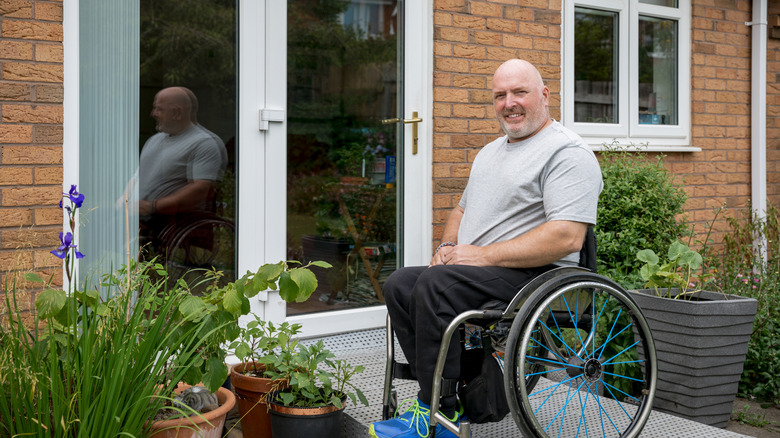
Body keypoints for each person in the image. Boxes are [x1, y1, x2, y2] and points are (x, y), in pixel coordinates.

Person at [369, 59, 603, 438]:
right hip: (481, 271)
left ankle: (438, 417)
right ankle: (448, 395)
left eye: (519, 92)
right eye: (500, 95)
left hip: (536, 276)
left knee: (435, 286)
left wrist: (480, 255)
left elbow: (566, 237)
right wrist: (448, 245)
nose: (509, 103)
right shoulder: (491, 151)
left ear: (544, 95)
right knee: (400, 283)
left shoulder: (567, 153)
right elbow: (460, 210)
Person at [137, 86, 228, 257]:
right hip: (140, 213)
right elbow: (139, 175)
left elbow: (201, 189)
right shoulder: (154, 140)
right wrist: (123, 200)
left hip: (164, 218)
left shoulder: (204, 144)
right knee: (98, 218)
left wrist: (152, 207)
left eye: (159, 109)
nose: (153, 113)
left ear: (177, 113)